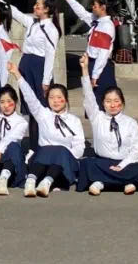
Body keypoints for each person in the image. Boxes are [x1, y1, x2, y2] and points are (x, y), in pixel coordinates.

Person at [76, 54, 138, 195]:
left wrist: (122, 165)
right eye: (108, 101)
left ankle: (103, 182)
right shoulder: (97, 117)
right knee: (86, 164)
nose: (112, 105)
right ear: (103, 103)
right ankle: (123, 182)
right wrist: (85, 69)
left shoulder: (130, 122)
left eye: (116, 101)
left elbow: (136, 148)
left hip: (125, 163)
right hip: (102, 162)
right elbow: (88, 96)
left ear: (122, 103)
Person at [11, 62, 84, 197]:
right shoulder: (43, 114)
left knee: (60, 151)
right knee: (45, 150)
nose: (55, 101)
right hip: (42, 162)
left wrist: (65, 156)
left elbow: (80, 146)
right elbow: (30, 97)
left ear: (66, 99)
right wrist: (17, 74)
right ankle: (31, 181)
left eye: (59, 97)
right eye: (51, 98)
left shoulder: (74, 120)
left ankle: (47, 182)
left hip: (64, 165)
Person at [3, 0, 58, 147]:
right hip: (26, 66)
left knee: (41, 109)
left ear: (46, 9)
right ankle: (34, 146)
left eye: (38, 5)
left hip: (38, 69)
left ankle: (43, 145)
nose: (34, 7)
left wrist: (46, 81)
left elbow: (50, 56)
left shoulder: (51, 29)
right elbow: (16, 13)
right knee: (31, 109)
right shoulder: (32, 23)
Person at [59, 0, 117, 109]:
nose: (92, 7)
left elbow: (103, 54)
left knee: (103, 106)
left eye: (95, 5)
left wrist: (95, 76)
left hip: (100, 68)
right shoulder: (97, 21)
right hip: (92, 65)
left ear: (103, 7)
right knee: (93, 105)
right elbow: (81, 12)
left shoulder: (106, 26)